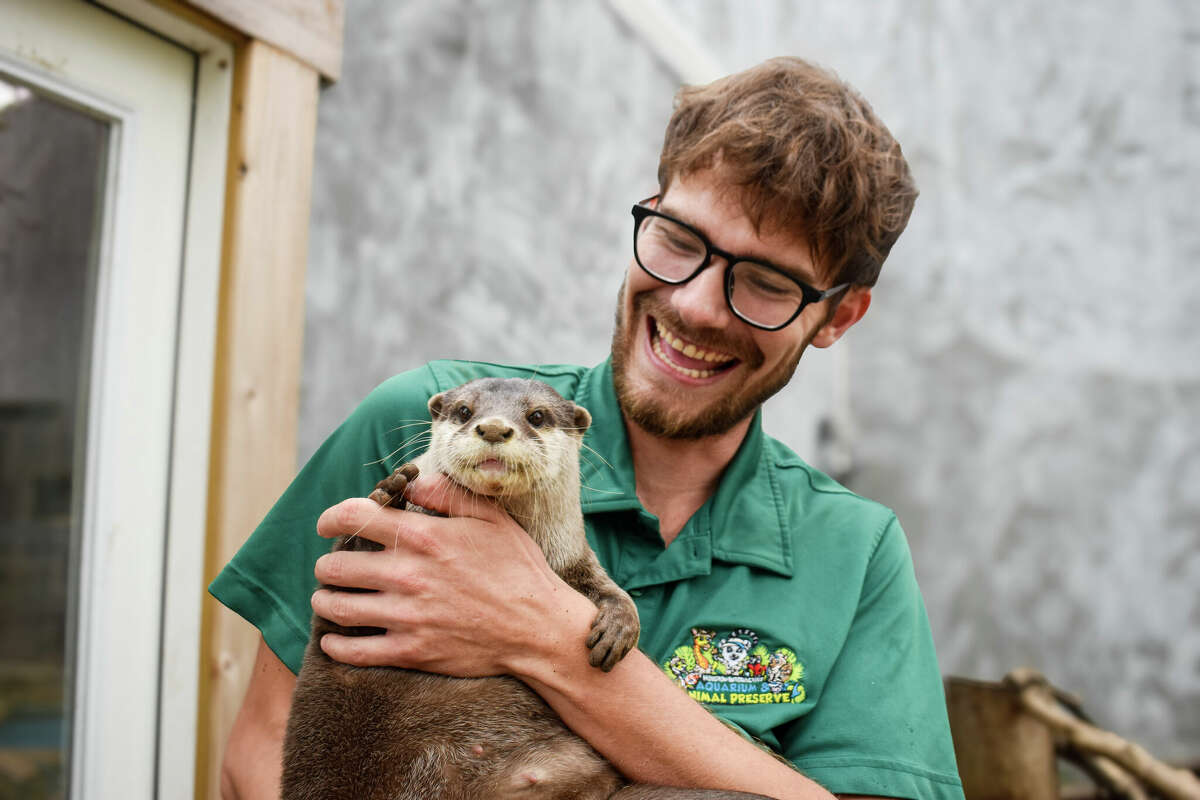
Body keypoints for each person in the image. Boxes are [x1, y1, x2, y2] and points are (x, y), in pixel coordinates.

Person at [213, 57, 965, 800]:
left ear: (838, 316)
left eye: (765, 284)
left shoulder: (855, 554)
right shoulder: (418, 422)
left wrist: (545, 637)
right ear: (649, 205)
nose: (697, 306)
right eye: (678, 239)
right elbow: (263, 750)